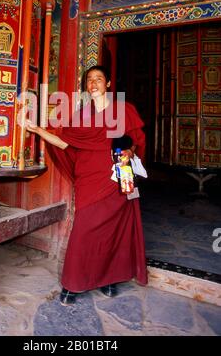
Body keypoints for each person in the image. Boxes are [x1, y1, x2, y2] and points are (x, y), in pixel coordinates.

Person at [25, 65, 148, 305]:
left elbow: (135, 142)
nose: (93, 83)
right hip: (89, 181)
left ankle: (109, 279)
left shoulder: (123, 110)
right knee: (84, 230)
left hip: (117, 179)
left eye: (99, 79)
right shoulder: (82, 117)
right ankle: (73, 283)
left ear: (109, 84)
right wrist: (38, 130)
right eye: (89, 79)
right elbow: (64, 144)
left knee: (115, 231)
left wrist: (128, 152)